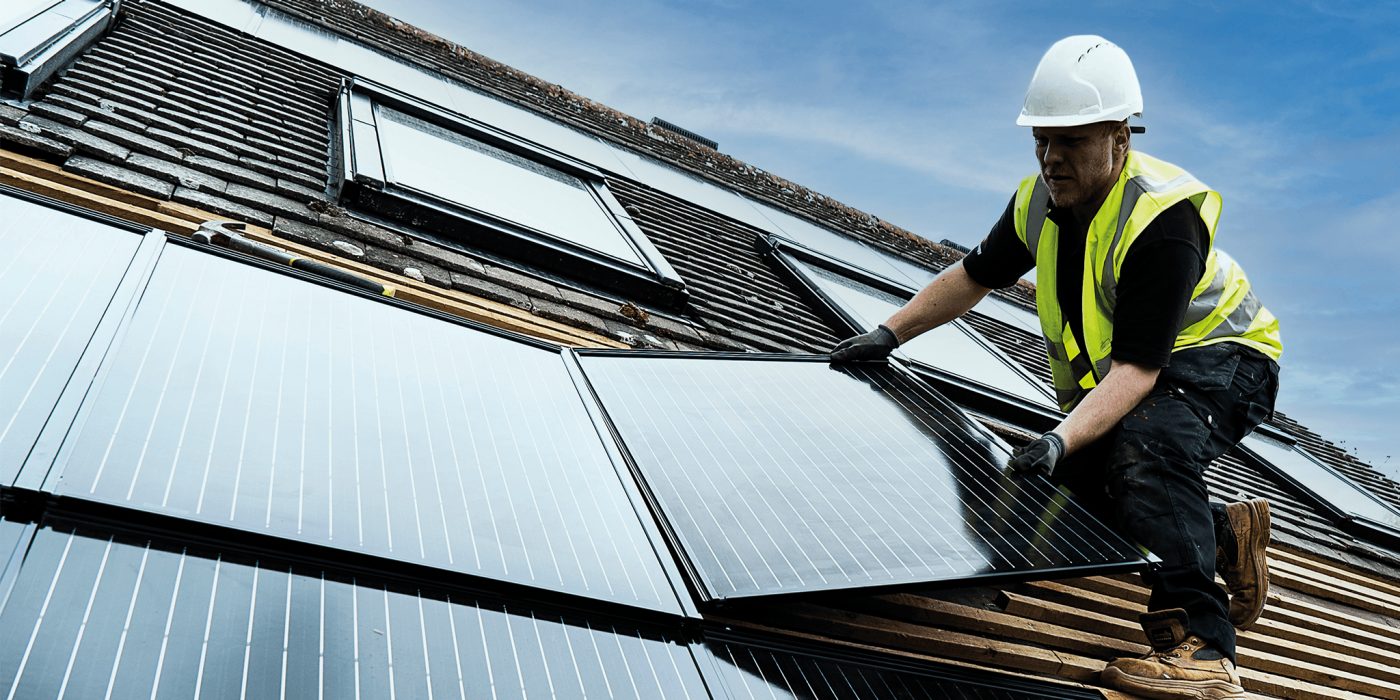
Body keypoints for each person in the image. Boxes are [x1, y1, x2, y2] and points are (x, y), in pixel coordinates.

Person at [831, 35, 1282, 700]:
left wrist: (1059, 435)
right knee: (1068, 490)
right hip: (1148, 374)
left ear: (1119, 136)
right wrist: (886, 334)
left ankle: (1208, 654)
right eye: (1042, 139)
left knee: (1142, 451)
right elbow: (973, 276)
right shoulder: (1039, 202)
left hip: (1228, 361)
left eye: (1069, 141)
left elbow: (1135, 371)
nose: (1051, 157)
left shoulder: (1164, 221)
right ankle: (1221, 536)